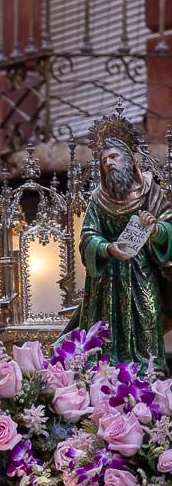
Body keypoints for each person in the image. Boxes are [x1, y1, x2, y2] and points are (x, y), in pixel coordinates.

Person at [71, 129, 172, 367]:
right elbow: (88, 236)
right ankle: (109, 375)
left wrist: (155, 229)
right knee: (109, 328)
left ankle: (149, 372)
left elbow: (169, 226)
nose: (109, 163)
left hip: (142, 271)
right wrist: (107, 248)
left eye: (114, 157)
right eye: (104, 160)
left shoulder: (150, 191)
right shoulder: (98, 198)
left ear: (128, 159)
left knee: (148, 317)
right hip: (108, 278)